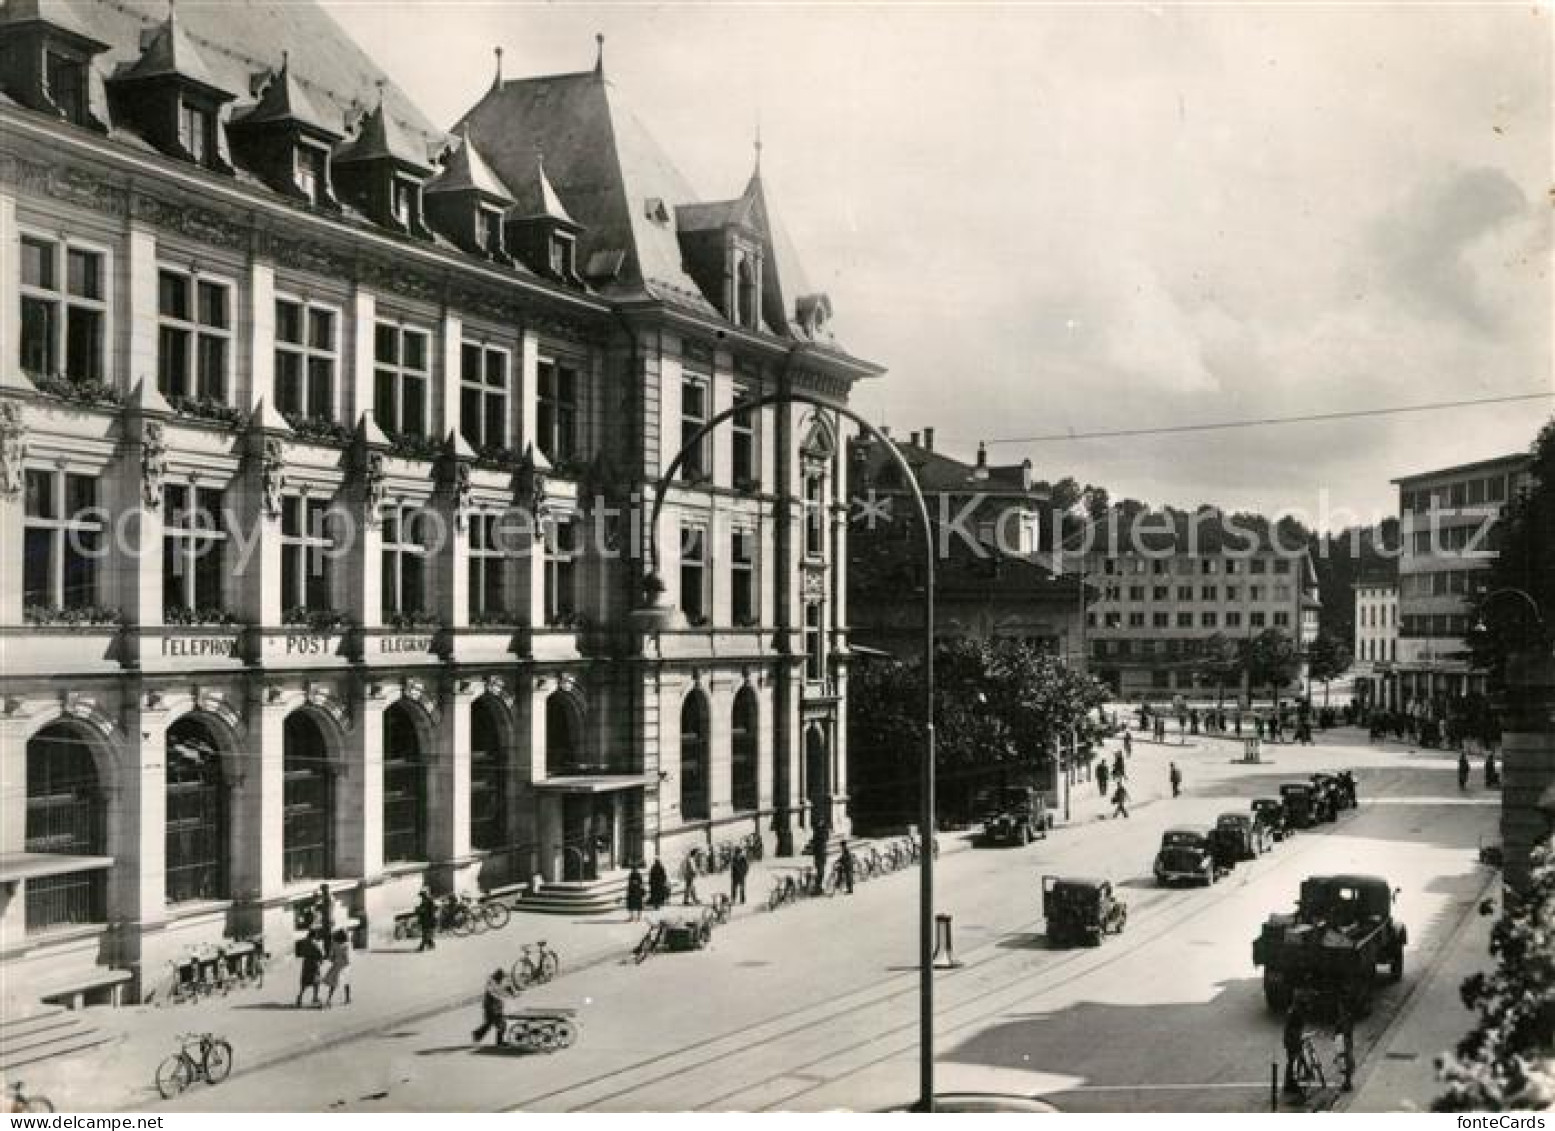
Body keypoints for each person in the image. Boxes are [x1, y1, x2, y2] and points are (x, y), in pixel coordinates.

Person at [471, 969, 511, 1047]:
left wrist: (507, 992)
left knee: (490, 1024)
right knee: (500, 1023)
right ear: (498, 978)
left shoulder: (496, 983)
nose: (503, 979)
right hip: (491, 1008)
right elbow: (497, 993)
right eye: (502, 977)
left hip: (495, 1007)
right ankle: (498, 1042)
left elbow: (500, 992)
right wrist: (507, 993)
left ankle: (477, 1034)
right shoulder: (492, 984)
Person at [1283, 994, 1309, 1093]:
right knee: (1293, 1060)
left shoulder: (1293, 1010)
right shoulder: (1297, 1012)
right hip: (1293, 1039)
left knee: (1293, 1060)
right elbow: (1296, 1027)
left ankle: (1291, 1082)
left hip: (1291, 1038)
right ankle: (1290, 1083)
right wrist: (1298, 1038)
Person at [295, 928, 324, 1008]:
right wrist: (321, 960)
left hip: (306, 962)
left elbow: (299, 952)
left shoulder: (303, 942)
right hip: (313, 963)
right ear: (314, 935)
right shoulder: (314, 943)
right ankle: (315, 997)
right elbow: (320, 953)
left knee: (305, 982)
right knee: (316, 981)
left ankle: (299, 997)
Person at [323, 927, 352, 1007]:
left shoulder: (334, 945)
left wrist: (333, 960)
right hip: (345, 965)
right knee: (346, 982)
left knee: (333, 983)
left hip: (336, 965)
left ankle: (329, 999)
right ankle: (347, 998)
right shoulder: (345, 945)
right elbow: (346, 957)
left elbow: (331, 956)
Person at [1334, 998, 1356, 1092]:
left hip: (1343, 1041)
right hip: (1345, 1041)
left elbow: (1345, 1030)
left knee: (1345, 1062)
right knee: (1345, 1061)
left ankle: (1347, 1083)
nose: (1339, 1008)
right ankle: (1347, 1082)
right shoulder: (1346, 1017)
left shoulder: (1345, 1018)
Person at [415, 887, 437, 952]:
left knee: (425, 934)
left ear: (425, 894)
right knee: (426, 933)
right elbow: (422, 908)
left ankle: (421, 947)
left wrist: (421, 910)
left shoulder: (430, 900)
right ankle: (431, 944)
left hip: (429, 920)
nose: (421, 896)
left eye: (422, 895)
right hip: (425, 920)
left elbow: (431, 910)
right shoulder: (425, 901)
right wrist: (418, 909)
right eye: (421, 895)